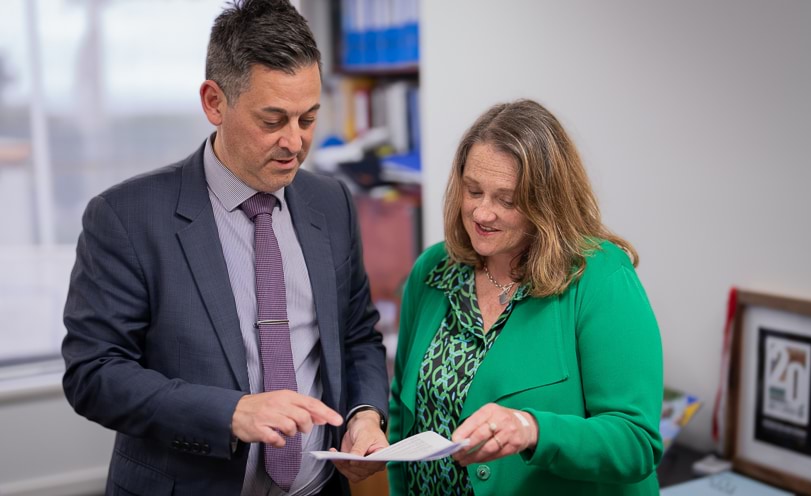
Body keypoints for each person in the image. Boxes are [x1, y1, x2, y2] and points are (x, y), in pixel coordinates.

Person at [61, 1, 389, 494]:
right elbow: (94, 374)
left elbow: (358, 333)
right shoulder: (126, 216)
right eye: (273, 119)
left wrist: (365, 414)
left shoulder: (331, 202)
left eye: (308, 119)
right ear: (214, 102)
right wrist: (231, 412)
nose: (294, 143)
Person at [387, 99, 664, 495]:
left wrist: (532, 429)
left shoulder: (599, 277)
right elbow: (402, 407)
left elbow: (636, 442)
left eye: (507, 199)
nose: (483, 213)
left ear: (547, 202)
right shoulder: (434, 270)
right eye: (473, 190)